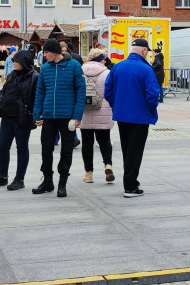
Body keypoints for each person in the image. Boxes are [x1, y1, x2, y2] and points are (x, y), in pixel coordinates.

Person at [104, 38, 160, 198]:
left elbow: (108, 90)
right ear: (144, 51)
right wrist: (150, 109)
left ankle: (129, 181)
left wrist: (116, 104)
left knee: (127, 150)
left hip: (122, 115)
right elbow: (152, 94)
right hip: (140, 117)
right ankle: (130, 186)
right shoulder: (146, 69)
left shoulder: (117, 67)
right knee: (135, 152)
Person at [32, 38, 86, 198]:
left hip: (67, 116)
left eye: (46, 52)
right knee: (46, 149)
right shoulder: (45, 69)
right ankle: (47, 181)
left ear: (55, 52)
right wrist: (37, 114)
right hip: (49, 116)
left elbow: (81, 92)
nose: (44, 55)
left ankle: (62, 183)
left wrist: (77, 116)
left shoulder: (74, 66)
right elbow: (40, 92)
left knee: (66, 150)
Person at [0, 50, 38, 191]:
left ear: (25, 62)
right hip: (6, 116)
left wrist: (33, 113)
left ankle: (19, 179)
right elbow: (3, 90)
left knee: (22, 148)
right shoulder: (12, 75)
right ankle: (2, 176)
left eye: (17, 61)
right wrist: (2, 100)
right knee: (3, 147)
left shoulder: (34, 77)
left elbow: (36, 97)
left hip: (22, 118)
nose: (14, 62)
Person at [79, 48, 115, 184]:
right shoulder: (108, 73)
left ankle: (89, 174)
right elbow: (112, 93)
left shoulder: (80, 71)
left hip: (84, 112)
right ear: (102, 60)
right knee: (104, 140)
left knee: (87, 143)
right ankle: (108, 165)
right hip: (103, 111)